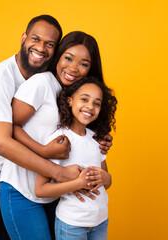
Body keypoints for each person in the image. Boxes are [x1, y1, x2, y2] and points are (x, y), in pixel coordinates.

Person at [0, 15, 87, 240]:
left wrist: (96, 139)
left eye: (50, 44)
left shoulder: (47, 79)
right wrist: (56, 169)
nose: (41, 47)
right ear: (23, 38)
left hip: (16, 176)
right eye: (35, 39)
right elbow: (2, 144)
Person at [0, 31, 112, 240]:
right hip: (21, 188)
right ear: (58, 56)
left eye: (83, 64)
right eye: (68, 58)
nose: (73, 68)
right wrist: (43, 150)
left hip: (54, 196)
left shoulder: (76, 97)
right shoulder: (42, 82)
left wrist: (101, 141)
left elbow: (84, 138)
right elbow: (9, 127)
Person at [35, 77, 117, 240]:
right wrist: (77, 184)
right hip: (72, 224)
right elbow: (40, 190)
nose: (90, 106)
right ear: (70, 101)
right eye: (84, 99)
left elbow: (105, 183)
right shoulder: (59, 140)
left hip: (100, 221)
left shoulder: (96, 140)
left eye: (96, 103)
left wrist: (107, 178)